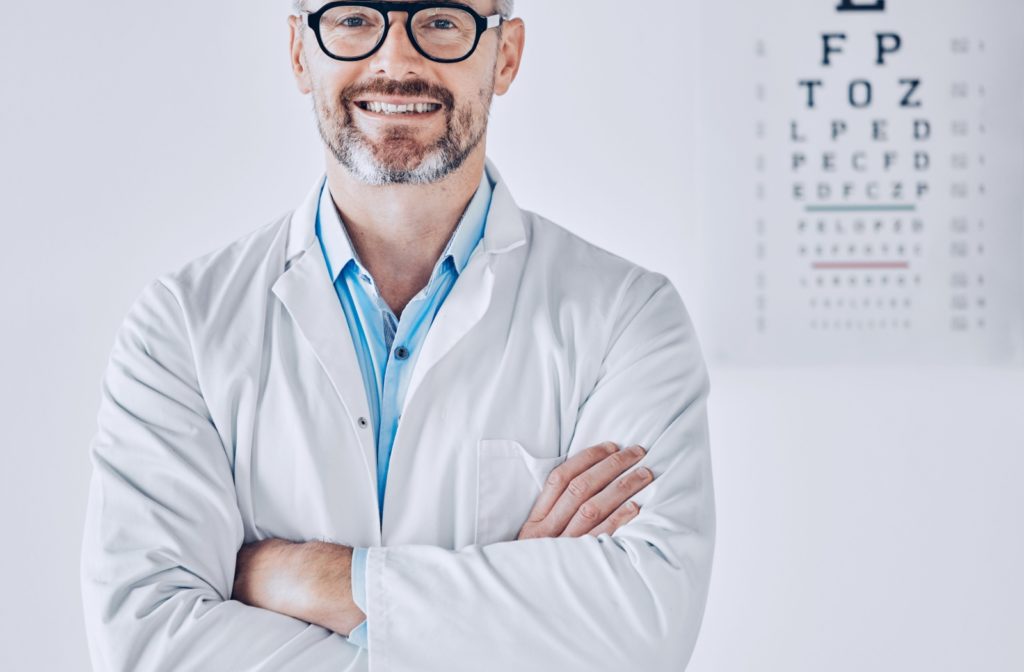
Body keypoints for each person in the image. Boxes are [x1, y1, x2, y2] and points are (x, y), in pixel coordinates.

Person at [80, 1, 716, 670]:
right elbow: (148, 644)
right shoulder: (181, 327)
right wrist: (512, 611)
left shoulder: (628, 318)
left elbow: (643, 626)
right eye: (354, 19)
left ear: (505, 56)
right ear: (300, 50)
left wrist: (315, 578)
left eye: (441, 21)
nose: (396, 61)